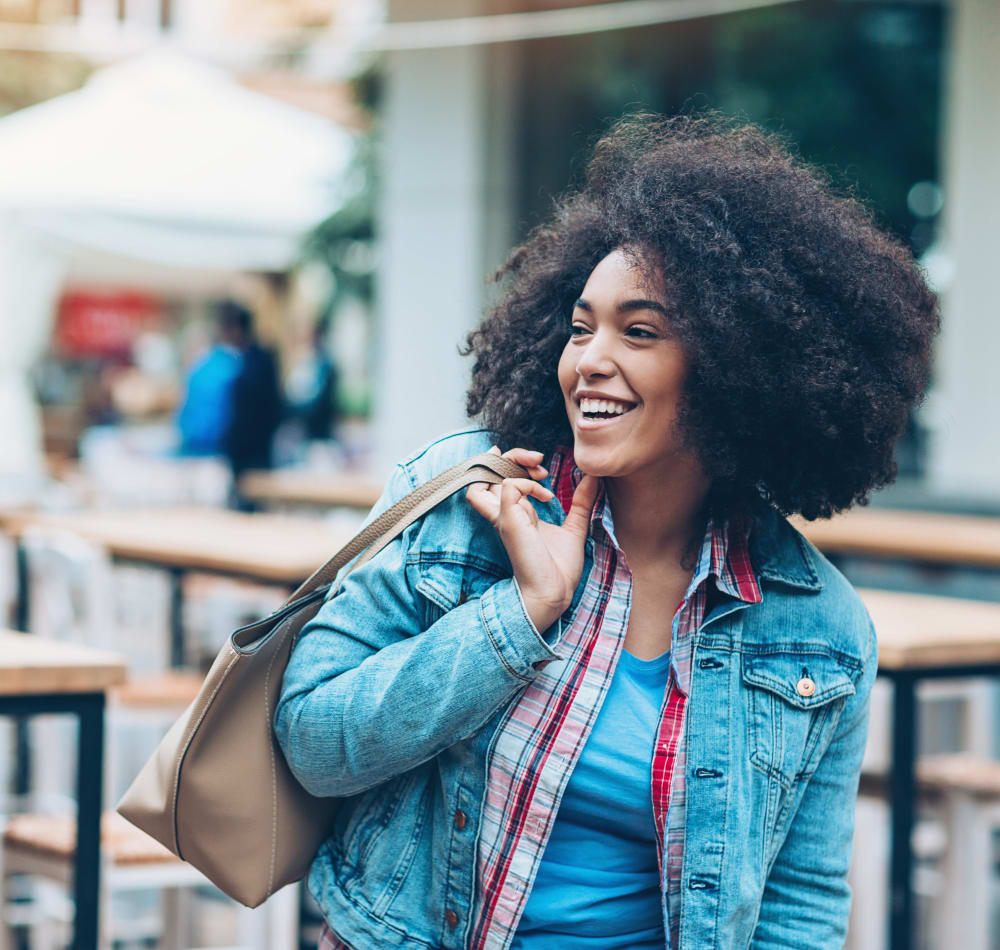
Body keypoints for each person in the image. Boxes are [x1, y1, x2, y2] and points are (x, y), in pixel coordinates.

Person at [275, 113, 939, 949]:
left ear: (740, 367)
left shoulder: (819, 631)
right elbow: (312, 741)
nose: (588, 359)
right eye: (582, 326)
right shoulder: (462, 505)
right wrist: (515, 618)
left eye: (641, 331)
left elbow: (798, 906)